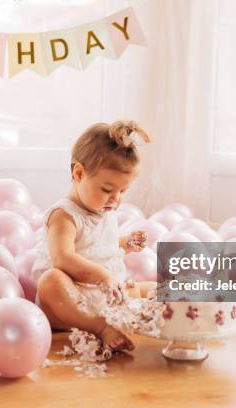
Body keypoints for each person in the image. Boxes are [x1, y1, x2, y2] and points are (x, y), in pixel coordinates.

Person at [32, 120, 155, 351]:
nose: (116, 199)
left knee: (153, 289)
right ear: (79, 173)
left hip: (106, 295)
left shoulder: (104, 210)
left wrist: (123, 244)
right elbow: (63, 258)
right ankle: (98, 327)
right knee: (51, 281)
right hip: (71, 300)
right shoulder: (64, 216)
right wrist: (102, 277)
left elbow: (98, 248)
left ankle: (192, 312)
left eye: (123, 191)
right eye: (107, 190)